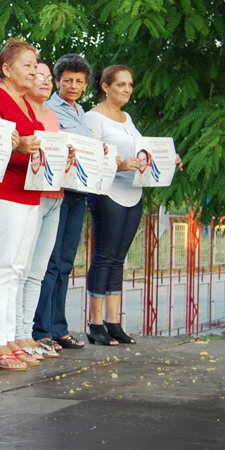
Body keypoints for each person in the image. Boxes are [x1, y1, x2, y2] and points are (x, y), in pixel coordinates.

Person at [84, 65, 181, 346]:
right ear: (105, 87)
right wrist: (118, 166)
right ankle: (95, 323)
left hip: (133, 192)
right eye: (121, 84)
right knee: (104, 256)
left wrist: (168, 159)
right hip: (108, 193)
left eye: (129, 84)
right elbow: (89, 158)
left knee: (118, 259)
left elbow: (144, 151)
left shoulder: (127, 119)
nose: (127, 89)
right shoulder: (94, 118)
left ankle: (113, 322)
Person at [0, 39, 44, 371]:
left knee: (16, 270)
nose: (34, 71)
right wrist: (17, 147)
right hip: (1, 192)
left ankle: (9, 336)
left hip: (28, 193)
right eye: (27, 65)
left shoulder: (26, 102)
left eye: (35, 65)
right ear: (6, 68)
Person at [34, 53, 92, 351]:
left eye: (79, 81)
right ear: (57, 81)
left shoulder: (81, 112)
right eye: (67, 80)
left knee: (66, 263)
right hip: (57, 191)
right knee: (50, 262)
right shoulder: (49, 109)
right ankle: (41, 330)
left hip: (79, 192)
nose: (73, 86)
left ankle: (59, 328)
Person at [15, 61, 72, 360]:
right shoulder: (22, 111)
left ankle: (28, 333)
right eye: (39, 75)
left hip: (55, 195)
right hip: (31, 196)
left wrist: (68, 155)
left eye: (49, 77)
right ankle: (16, 334)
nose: (46, 81)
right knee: (22, 269)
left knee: (38, 271)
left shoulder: (52, 116)